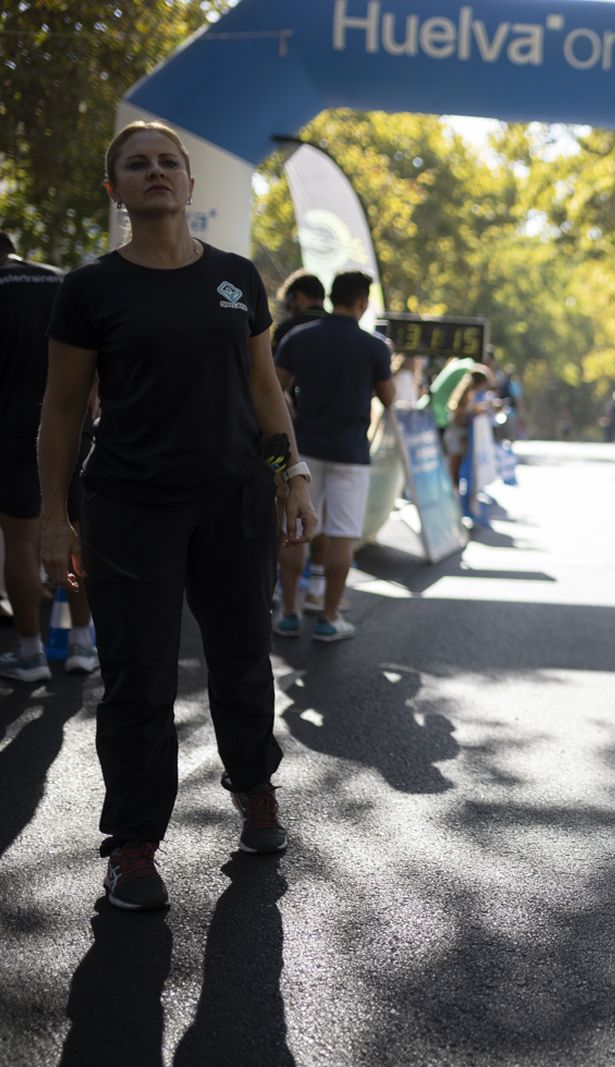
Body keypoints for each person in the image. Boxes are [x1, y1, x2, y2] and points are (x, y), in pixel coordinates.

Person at [38, 121, 318, 911]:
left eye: (168, 162)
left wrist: (289, 471)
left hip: (233, 500)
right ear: (116, 189)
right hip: (128, 505)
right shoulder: (90, 288)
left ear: (190, 184)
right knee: (138, 677)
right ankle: (133, 845)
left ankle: (254, 788)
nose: (155, 172)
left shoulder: (236, 277)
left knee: (241, 658)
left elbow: (265, 388)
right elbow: (60, 410)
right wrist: (57, 515)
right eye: (138, 164)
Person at [272, 270, 395, 643]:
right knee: (341, 537)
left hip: (303, 451)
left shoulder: (298, 337)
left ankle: (289, 613)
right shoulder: (374, 347)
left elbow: (274, 390)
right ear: (361, 303)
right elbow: (391, 400)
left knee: (293, 532)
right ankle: (328, 617)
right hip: (351, 454)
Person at [0, 232, 97, 682]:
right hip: (72, 427)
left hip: (9, 431)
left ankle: (30, 652)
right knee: (77, 530)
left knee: (21, 541)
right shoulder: (61, 282)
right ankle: (81, 643)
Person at [270, 268, 327, 354]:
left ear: (298, 297)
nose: (290, 312)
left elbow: (272, 364)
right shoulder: (341, 327)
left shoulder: (287, 329)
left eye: (288, 305)